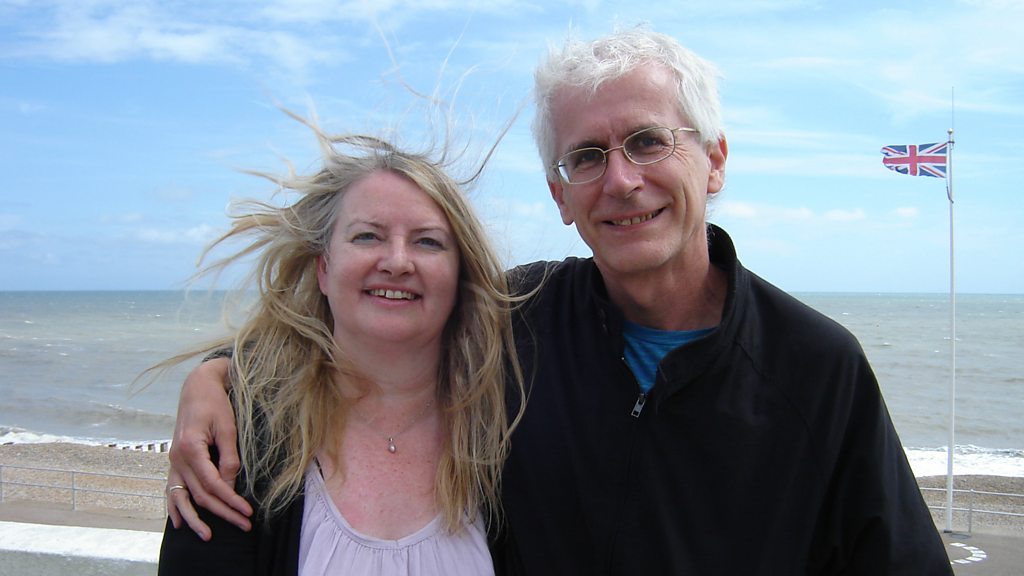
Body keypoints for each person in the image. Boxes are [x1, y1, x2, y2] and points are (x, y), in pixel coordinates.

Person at [165, 28, 953, 574]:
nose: (622, 180)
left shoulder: (815, 368)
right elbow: (379, 331)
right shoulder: (519, 319)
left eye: (648, 141)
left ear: (713, 160)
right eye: (587, 156)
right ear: (560, 195)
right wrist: (220, 376)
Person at [155, 116, 525, 575]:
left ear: (459, 274)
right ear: (324, 269)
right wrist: (216, 373)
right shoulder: (242, 436)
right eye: (367, 236)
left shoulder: (507, 422)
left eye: (428, 242)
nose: (397, 262)